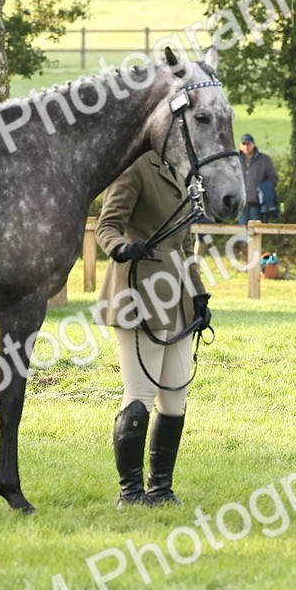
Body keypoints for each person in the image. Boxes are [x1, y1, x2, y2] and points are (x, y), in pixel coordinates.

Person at [96, 151, 211, 509]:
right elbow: (107, 226)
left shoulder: (182, 171)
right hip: (139, 292)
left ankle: (160, 490)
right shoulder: (134, 166)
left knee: (175, 401)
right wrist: (121, 248)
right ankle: (130, 494)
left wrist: (199, 294)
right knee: (139, 397)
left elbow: (185, 246)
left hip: (178, 300)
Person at [237, 133, 278, 225]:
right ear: (240, 145)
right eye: (243, 144)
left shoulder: (264, 159)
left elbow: (273, 179)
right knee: (242, 230)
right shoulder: (235, 160)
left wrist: (263, 188)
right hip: (241, 204)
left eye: (248, 144)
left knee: (255, 230)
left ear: (254, 144)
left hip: (257, 203)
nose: (246, 147)